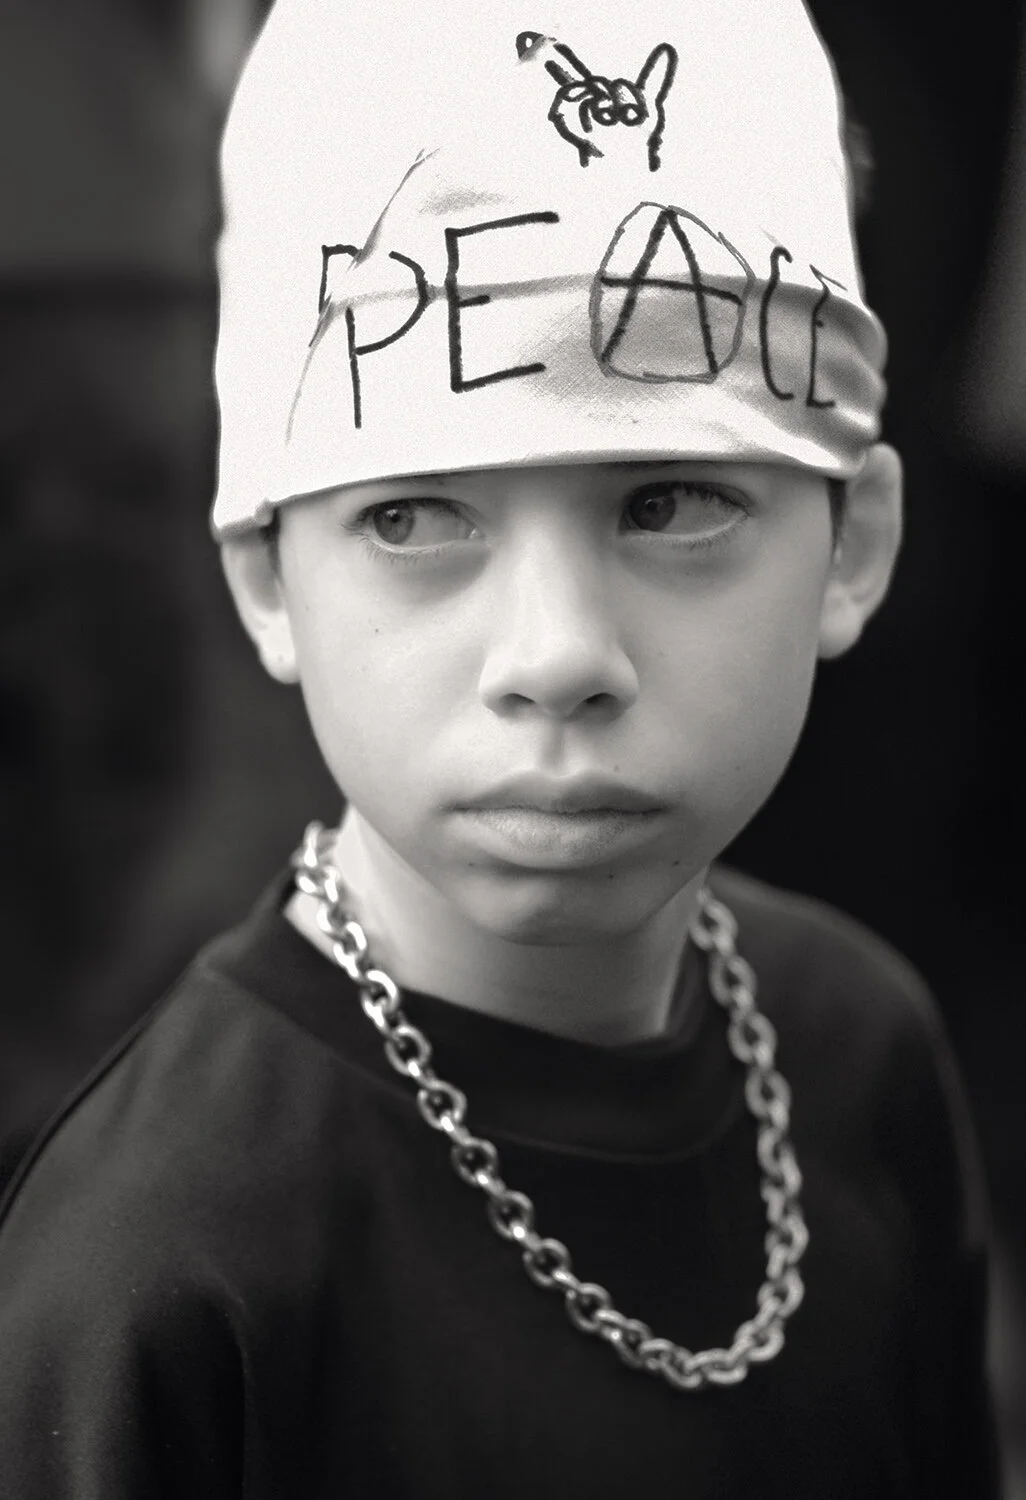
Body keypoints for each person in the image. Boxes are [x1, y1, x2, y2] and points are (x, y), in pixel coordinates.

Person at [0, 0, 1000, 1494]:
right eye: (410, 518)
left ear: (849, 545)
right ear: (269, 580)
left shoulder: (860, 1053)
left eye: (667, 503)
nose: (553, 659)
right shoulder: (159, 1268)